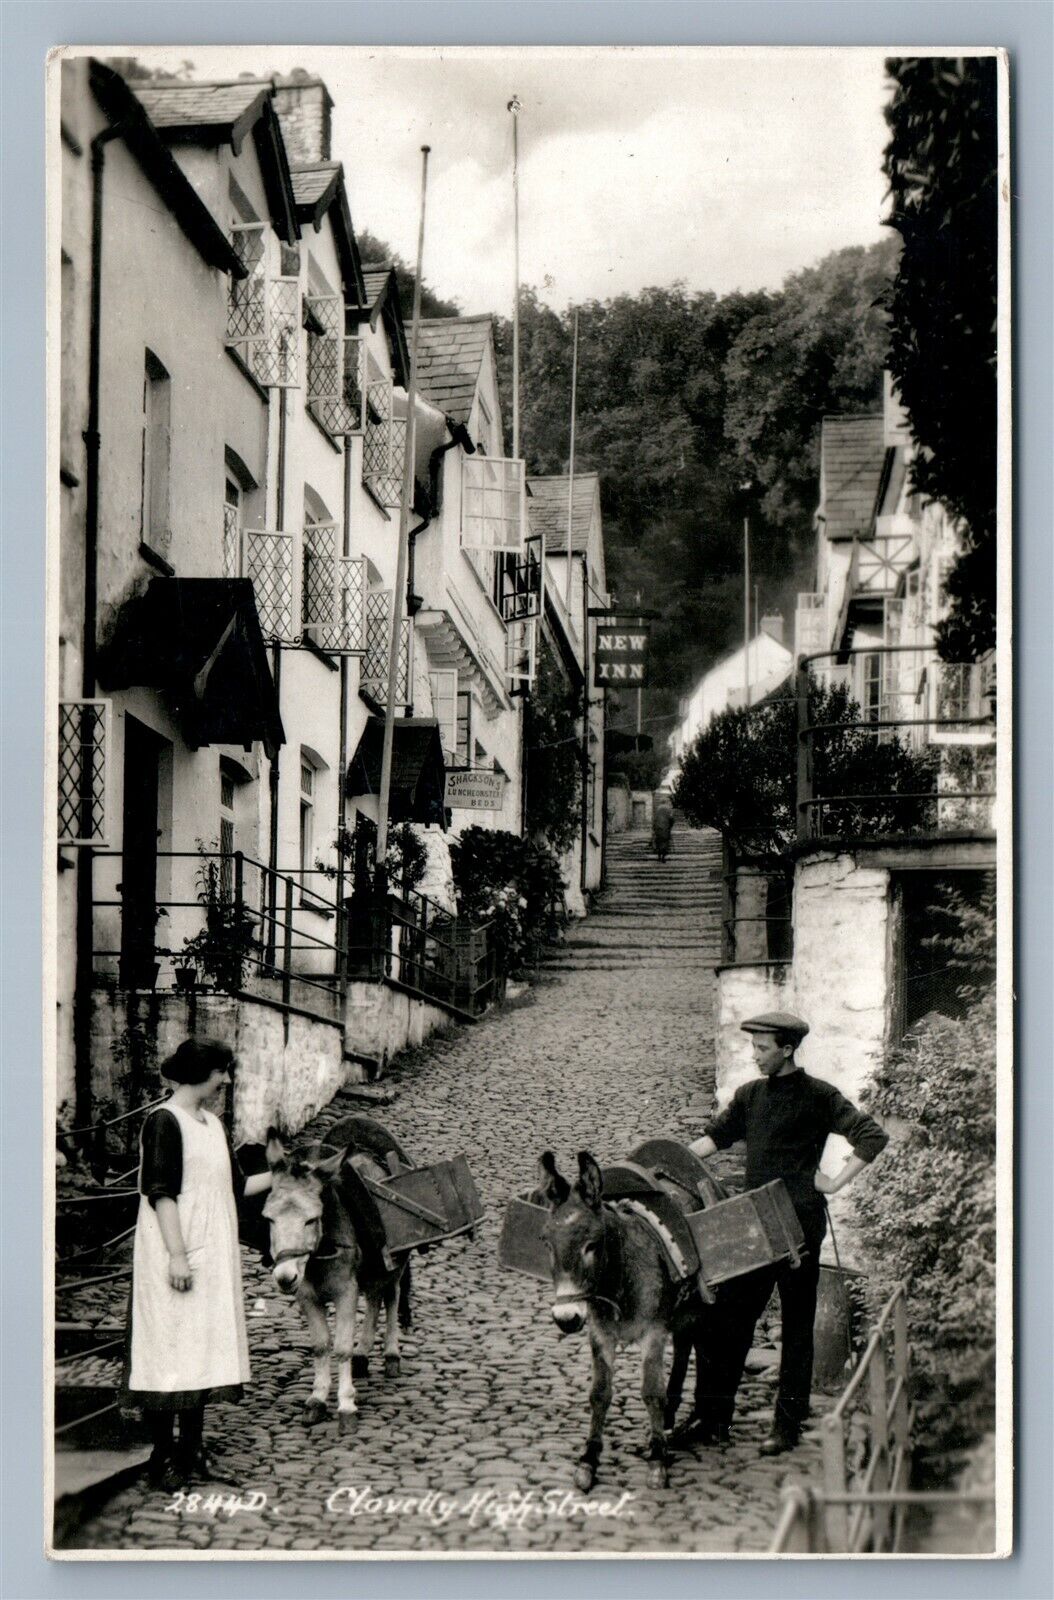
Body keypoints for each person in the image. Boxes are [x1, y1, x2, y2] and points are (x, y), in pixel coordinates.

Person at [683, 1011, 889, 1457]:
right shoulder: (750, 1095)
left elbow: (872, 1136)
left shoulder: (819, 1096)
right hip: (753, 1225)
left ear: (787, 1049)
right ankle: (713, 1418)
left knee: (796, 1327)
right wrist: (667, 1162)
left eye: (762, 1048)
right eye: (753, 1047)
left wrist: (834, 1182)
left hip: (799, 1227)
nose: (755, 1056)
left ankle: (788, 1425)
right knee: (728, 1318)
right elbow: (713, 1140)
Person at [125, 1037, 271, 1490]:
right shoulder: (164, 1122)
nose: (225, 1080)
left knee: (201, 1349)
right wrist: (177, 1256)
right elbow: (161, 1193)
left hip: (212, 1254)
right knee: (168, 1348)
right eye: (221, 1071)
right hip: (175, 1252)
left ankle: (192, 1451)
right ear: (201, 1072)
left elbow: (236, 1188)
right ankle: (162, 1457)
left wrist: (281, 1172)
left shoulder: (213, 1125)